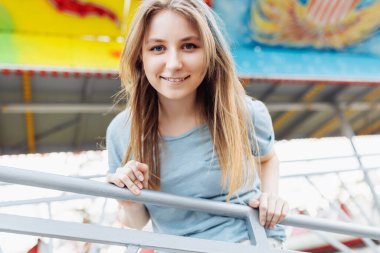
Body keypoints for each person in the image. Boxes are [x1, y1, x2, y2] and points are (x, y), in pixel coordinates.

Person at [106, 0, 288, 250]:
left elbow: (268, 159)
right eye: (158, 48)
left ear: (210, 52)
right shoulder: (121, 132)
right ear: (140, 56)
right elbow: (137, 222)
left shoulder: (243, 112)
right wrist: (128, 199)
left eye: (189, 46)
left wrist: (271, 196)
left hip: (248, 242)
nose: (173, 64)